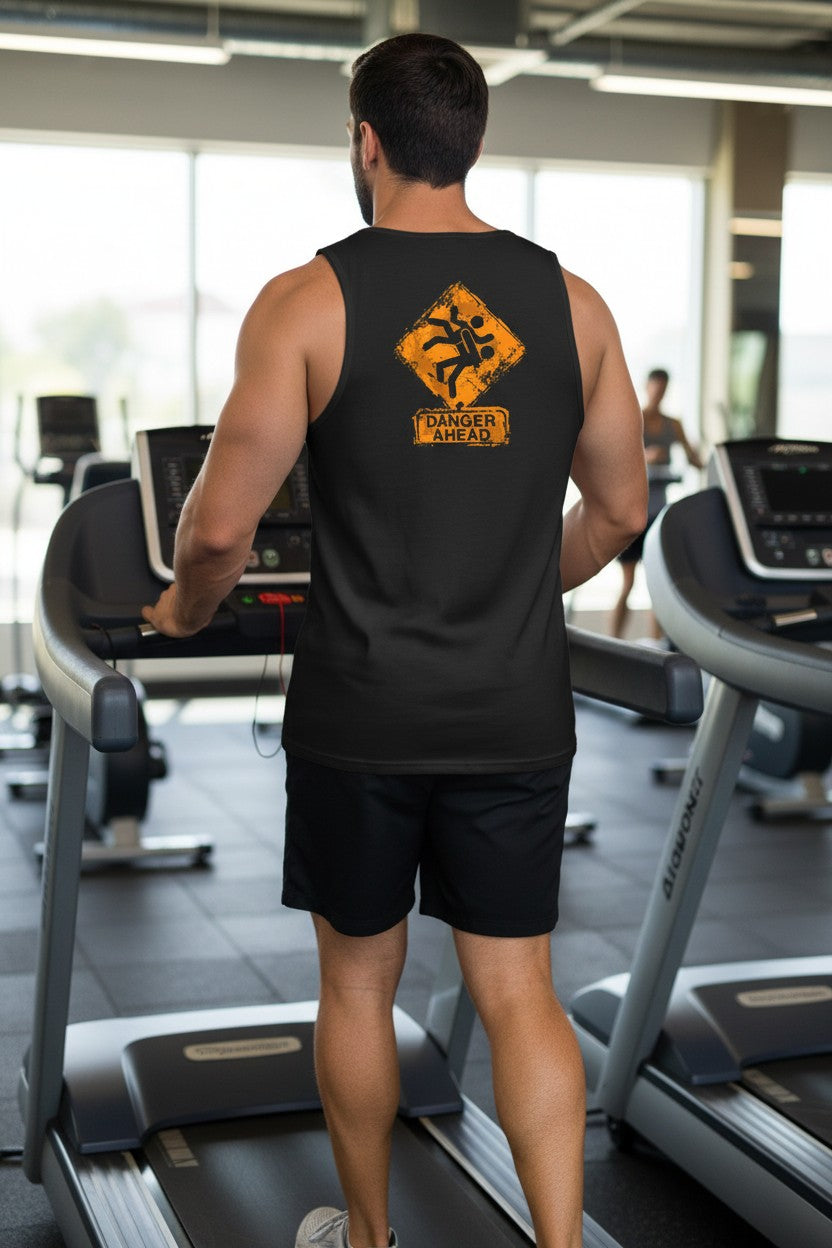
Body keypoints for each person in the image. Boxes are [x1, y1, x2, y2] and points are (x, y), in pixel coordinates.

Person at [142, 31, 647, 1248]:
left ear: (365, 142)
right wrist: (516, 586)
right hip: (514, 711)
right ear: (471, 141)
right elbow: (620, 512)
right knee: (517, 989)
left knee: (358, 985)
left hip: (360, 716)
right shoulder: (573, 304)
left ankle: (366, 1237)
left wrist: (178, 616)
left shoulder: (306, 301)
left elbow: (218, 530)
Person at [609, 367, 703, 639]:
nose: (658, 394)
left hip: (657, 513)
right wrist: (646, 457)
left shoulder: (673, 424)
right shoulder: (633, 418)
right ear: (647, 386)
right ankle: (612, 641)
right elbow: (615, 456)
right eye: (655, 388)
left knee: (656, 585)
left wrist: (703, 455)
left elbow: (695, 460)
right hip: (632, 508)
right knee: (627, 583)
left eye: (663, 389)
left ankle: (655, 646)